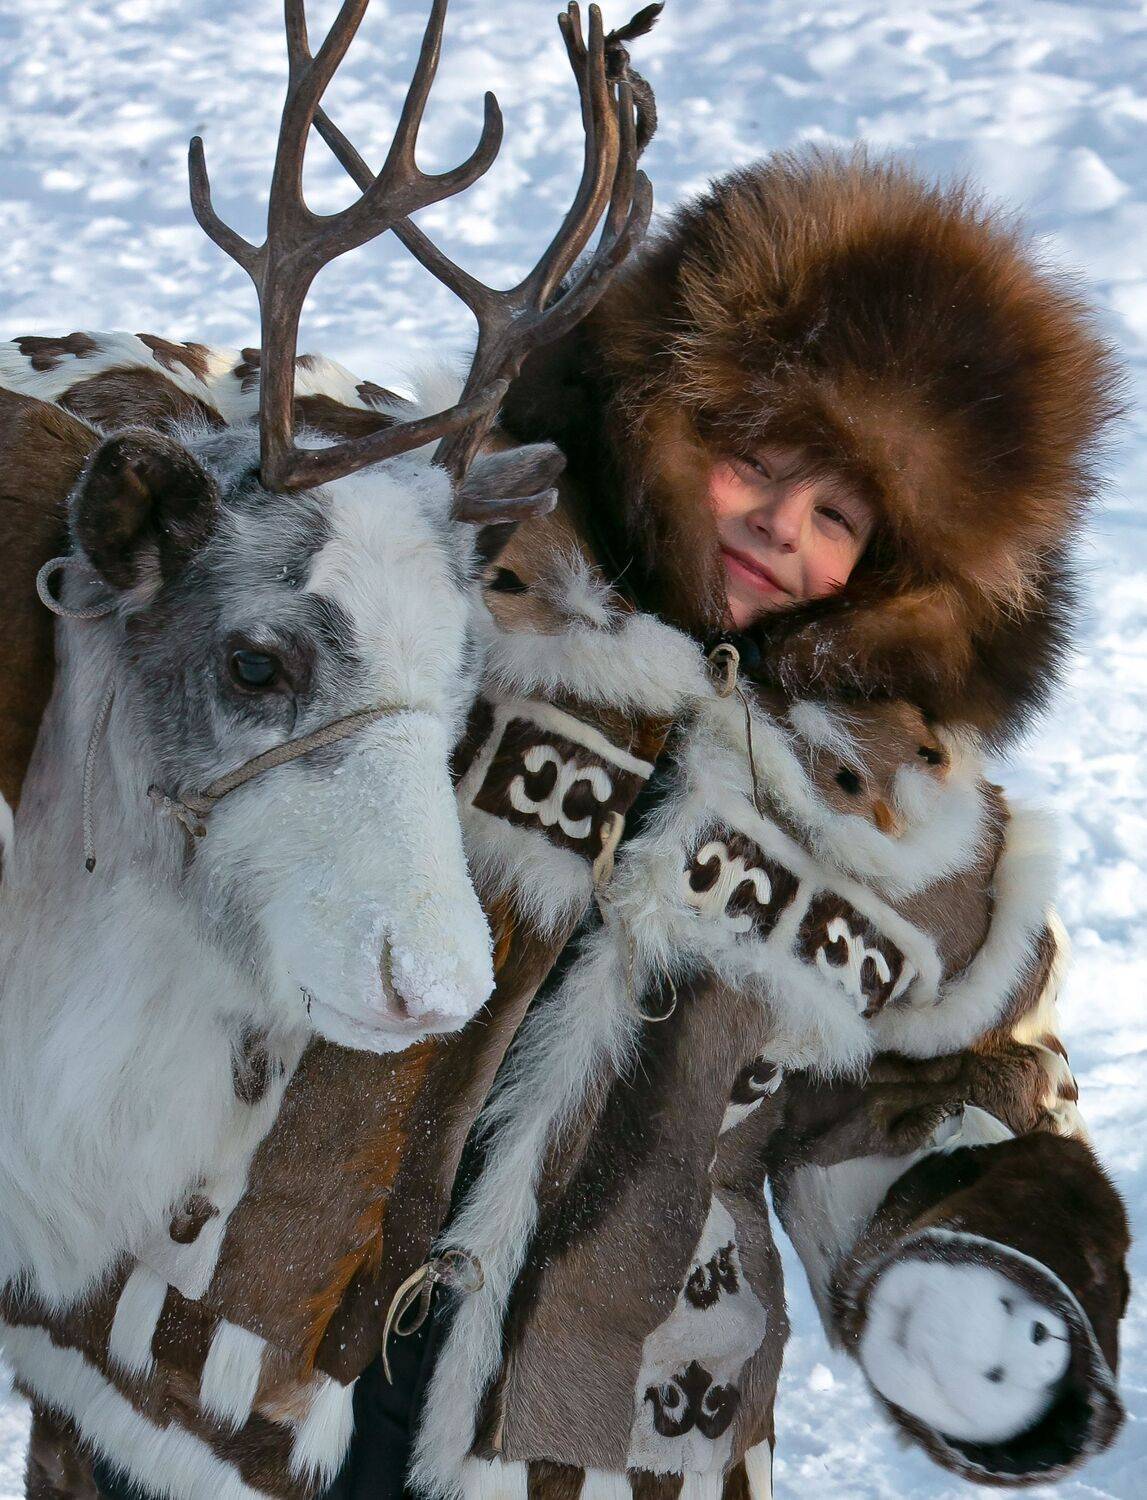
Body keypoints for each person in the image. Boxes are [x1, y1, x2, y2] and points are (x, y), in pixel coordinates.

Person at [1, 151, 1130, 1500]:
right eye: (753, 461)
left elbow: (941, 1089)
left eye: (837, 515)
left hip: (590, 1421)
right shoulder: (462, 544)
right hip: (231, 1334)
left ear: (902, 568)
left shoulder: (906, 835)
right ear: (669, 417)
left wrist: (974, 1252)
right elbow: (243, 423)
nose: (781, 526)